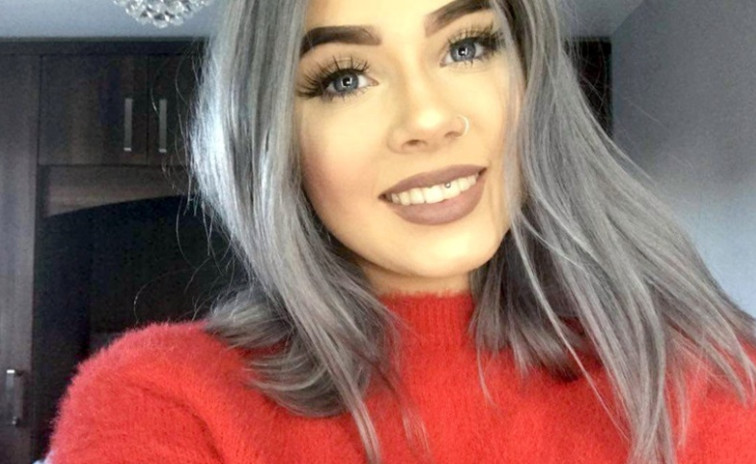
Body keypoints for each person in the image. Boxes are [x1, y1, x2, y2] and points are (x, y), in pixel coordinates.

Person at [47, 0, 756, 463]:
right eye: (345, 79)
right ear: (274, 136)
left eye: (467, 46)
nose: (428, 118)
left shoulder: (705, 377)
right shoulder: (164, 398)